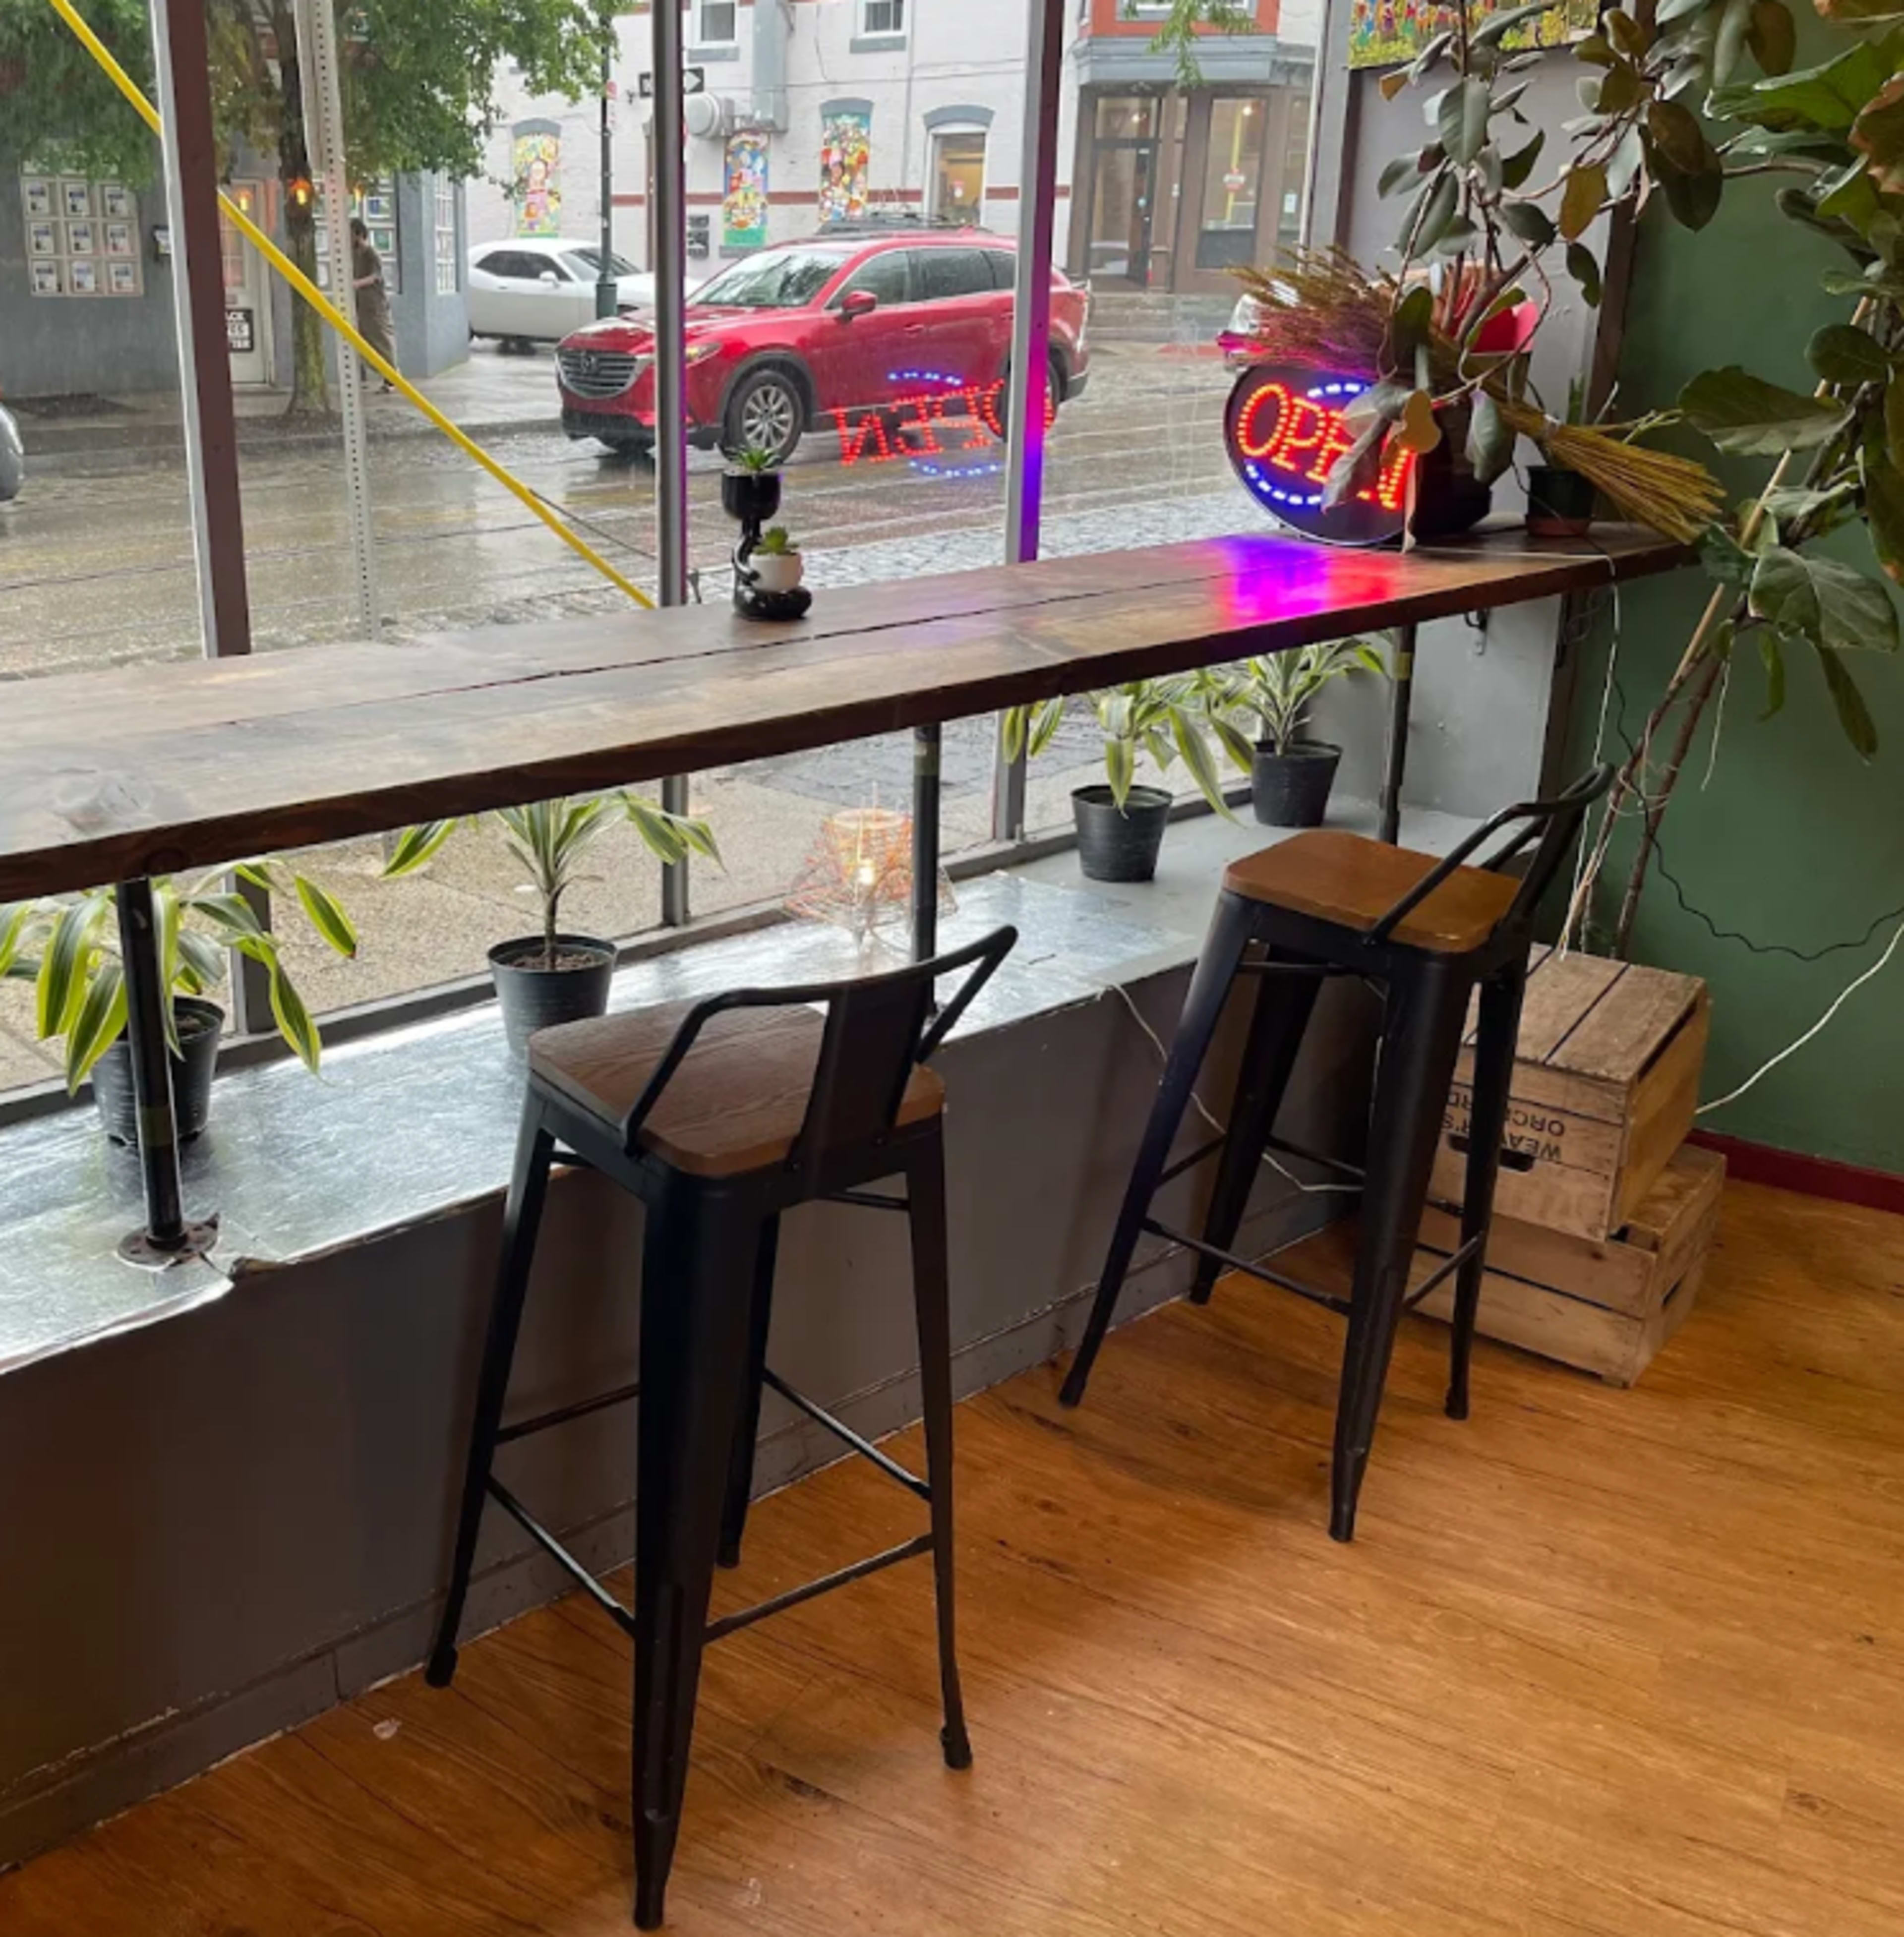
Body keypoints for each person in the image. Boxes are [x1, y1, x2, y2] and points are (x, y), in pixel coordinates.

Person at [350, 217, 396, 394]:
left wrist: (357, 283)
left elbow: (376, 276)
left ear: (359, 234)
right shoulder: (353, 254)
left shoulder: (371, 254)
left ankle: (391, 377)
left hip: (375, 304)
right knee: (365, 339)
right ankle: (376, 372)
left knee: (381, 339)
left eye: (351, 234)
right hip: (361, 305)